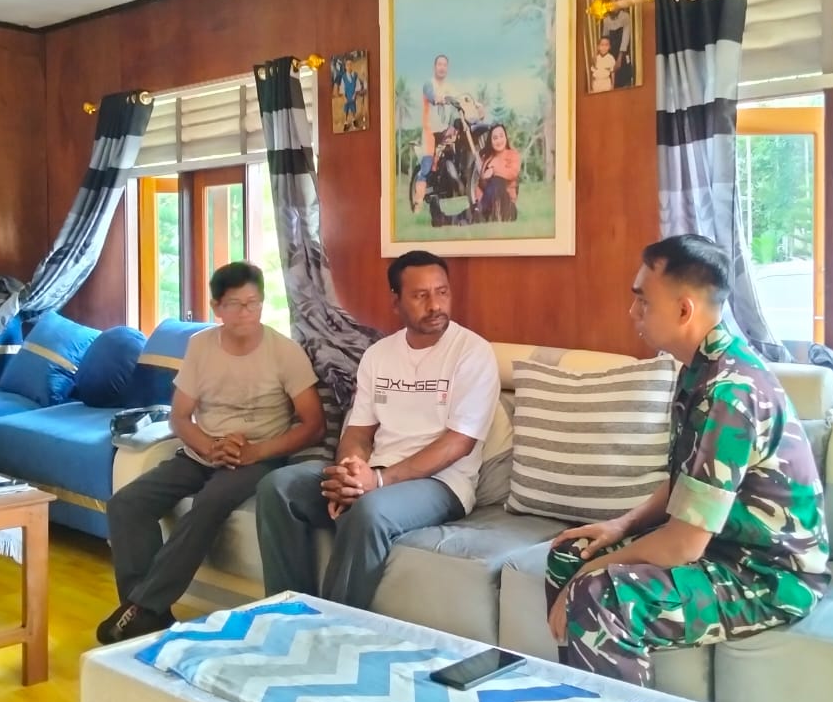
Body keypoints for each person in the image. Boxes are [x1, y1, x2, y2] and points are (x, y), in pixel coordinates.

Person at [545, 235, 829, 686]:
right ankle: (578, 692)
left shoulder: (730, 392)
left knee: (601, 594)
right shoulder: (699, 368)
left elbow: (683, 545)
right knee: (569, 553)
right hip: (718, 545)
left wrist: (589, 574)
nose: (633, 312)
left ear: (683, 310)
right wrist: (620, 526)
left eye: (643, 301)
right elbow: (688, 482)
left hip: (767, 576)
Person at [256, 250, 500, 610]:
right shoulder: (379, 355)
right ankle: (286, 610)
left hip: (442, 483)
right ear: (396, 302)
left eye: (442, 292)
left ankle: (333, 626)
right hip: (375, 472)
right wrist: (350, 472)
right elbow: (359, 432)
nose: (435, 305)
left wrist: (379, 481)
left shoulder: (472, 353)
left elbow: (458, 443)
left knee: (369, 510)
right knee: (278, 487)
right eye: (420, 295)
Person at [97, 262, 324, 644]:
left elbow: (313, 424)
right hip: (202, 452)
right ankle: (149, 613)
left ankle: (140, 608)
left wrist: (256, 452)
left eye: (254, 303)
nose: (246, 313)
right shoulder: (202, 346)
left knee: (210, 502)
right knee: (126, 503)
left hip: (259, 456)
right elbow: (179, 416)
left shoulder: (284, 352)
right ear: (217, 307)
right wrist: (208, 446)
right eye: (235, 304)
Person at [427, 124, 521, 226]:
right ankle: (441, 219)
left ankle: (478, 211)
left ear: (506, 137)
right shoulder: (487, 158)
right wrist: (483, 183)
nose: (499, 140)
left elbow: (512, 173)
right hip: (489, 205)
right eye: (495, 138)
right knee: (469, 213)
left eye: (501, 136)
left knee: (497, 181)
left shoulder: (512, 155)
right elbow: (482, 186)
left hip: (506, 206)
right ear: (491, 141)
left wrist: (494, 171)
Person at [413, 54, 457, 213]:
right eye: (439, 64)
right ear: (435, 67)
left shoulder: (450, 87)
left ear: (447, 68)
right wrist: (438, 98)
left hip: (444, 131)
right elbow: (431, 96)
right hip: (430, 131)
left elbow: (457, 103)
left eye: (445, 65)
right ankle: (418, 203)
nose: (442, 67)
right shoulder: (428, 84)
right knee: (426, 165)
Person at [600, 0, 633, 88]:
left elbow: (625, 39)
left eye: (616, 0)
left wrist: (619, 59)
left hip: (623, 53)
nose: (614, 3)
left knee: (625, 80)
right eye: (612, 1)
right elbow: (605, 38)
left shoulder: (625, 16)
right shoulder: (606, 20)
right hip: (611, 53)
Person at [338, 56, 365, 132]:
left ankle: (353, 119)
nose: (349, 66)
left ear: (352, 65)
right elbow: (342, 88)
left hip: (353, 96)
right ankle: (346, 122)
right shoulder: (343, 77)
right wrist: (344, 97)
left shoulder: (355, 75)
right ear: (345, 67)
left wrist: (354, 95)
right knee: (346, 109)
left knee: (353, 108)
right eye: (347, 65)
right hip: (347, 96)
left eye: (350, 64)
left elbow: (357, 86)